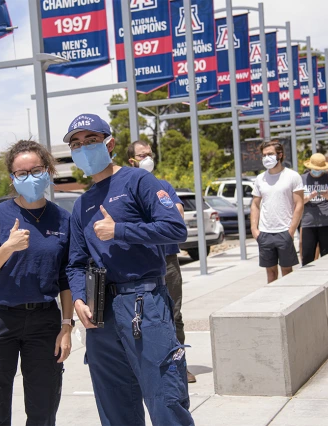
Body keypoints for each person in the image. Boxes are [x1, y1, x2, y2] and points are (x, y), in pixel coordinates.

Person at [65, 114, 194, 426]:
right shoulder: (82, 204)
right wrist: (80, 299)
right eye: (76, 144)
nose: (84, 148)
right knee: (114, 405)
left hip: (143, 304)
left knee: (164, 398)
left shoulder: (138, 181)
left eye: (91, 141)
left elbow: (175, 229)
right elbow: (75, 262)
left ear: (109, 144)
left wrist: (120, 230)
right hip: (100, 315)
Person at [0, 140, 73, 426]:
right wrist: (7, 248)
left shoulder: (63, 219)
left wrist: (66, 327)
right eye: (21, 173)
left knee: (43, 407)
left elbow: (66, 277)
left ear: (49, 170)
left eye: (36, 170)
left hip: (44, 320)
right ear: (13, 179)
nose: (29, 177)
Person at [127, 139, 197, 384]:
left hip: (167, 261)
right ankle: (148, 367)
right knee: (145, 316)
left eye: (149, 154)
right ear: (131, 161)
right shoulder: (127, 188)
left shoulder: (163, 186)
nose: (147, 158)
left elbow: (176, 219)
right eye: (141, 155)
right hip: (141, 263)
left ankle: (179, 366)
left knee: (174, 315)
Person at [251, 140, 304, 283]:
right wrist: (254, 230)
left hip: (284, 231)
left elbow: (299, 204)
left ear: (280, 155)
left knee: (287, 271)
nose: (266, 158)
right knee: (271, 273)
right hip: (265, 233)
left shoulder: (292, 176)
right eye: (264, 155)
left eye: (270, 154)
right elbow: (255, 204)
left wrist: (291, 230)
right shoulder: (260, 179)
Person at [300, 153, 328, 266]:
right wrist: (308, 197)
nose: (316, 171)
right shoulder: (302, 179)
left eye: (319, 169)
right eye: (314, 169)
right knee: (307, 254)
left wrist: (327, 195)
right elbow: (297, 202)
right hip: (309, 221)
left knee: (327, 253)